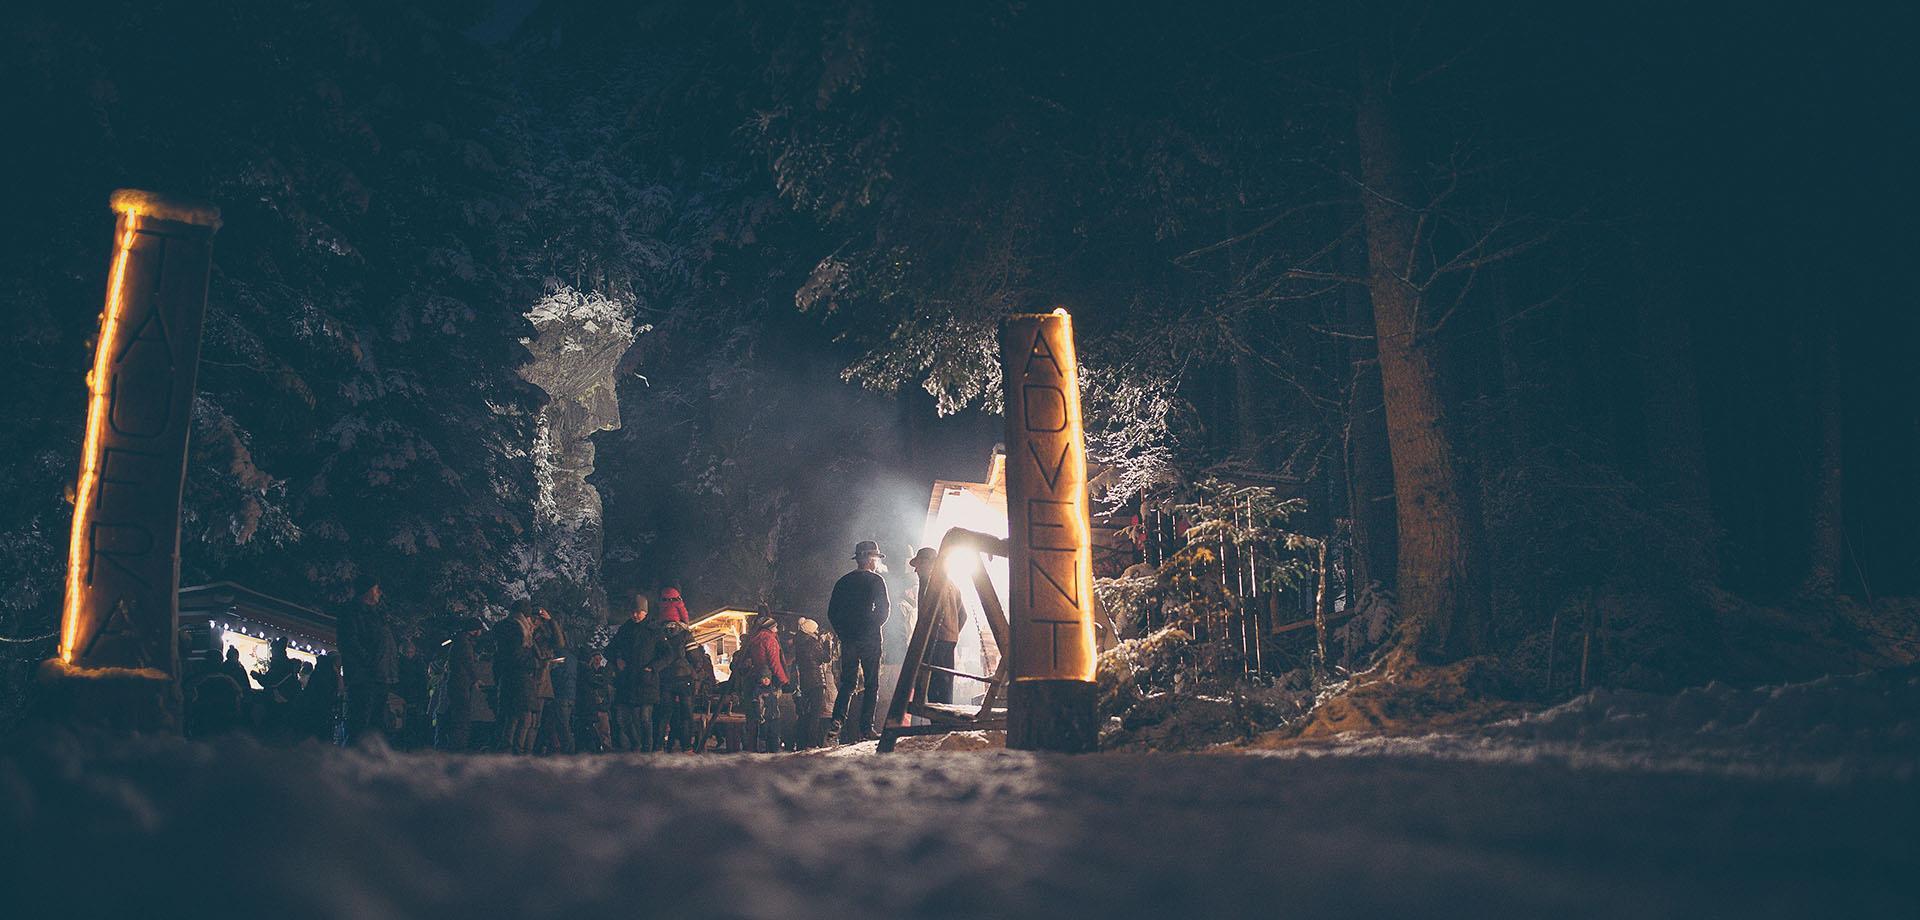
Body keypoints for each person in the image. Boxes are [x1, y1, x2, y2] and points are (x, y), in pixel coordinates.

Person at [827, 540, 889, 743]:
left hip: (849, 640)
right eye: (876, 558)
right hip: (870, 639)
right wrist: (872, 626)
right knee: (872, 684)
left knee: (848, 683)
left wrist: (844, 633)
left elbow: (832, 613)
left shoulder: (843, 582)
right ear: (870, 559)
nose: (876, 562)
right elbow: (883, 610)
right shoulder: (876, 581)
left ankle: (837, 720)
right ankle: (866, 728)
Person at [607, 592, 675, 751]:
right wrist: (617, 659)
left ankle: (646, 749)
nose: (635, 615)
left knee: (645, 718)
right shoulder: (625, 629)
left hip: (646, 681)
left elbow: (668, 654)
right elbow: (610, 649)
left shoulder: (654, 630)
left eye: (638, 612)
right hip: (626, 681)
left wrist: (653, 667)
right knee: (624, 718)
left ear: (645, 611)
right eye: (632, 612)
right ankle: (636, 744)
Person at [339, 580, 399, 745]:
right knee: (360, 722)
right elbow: (350, 642)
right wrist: (370, 662)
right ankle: (352, 760)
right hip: (365, 677)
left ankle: (368, 760)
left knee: (376, 723)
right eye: (376, 588)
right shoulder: (354, 613)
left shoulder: (376, 615)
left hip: (379, 676)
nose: (379, 592)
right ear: (367, 590)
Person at [909, 547, 970, 705]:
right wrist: (952, 633)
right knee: (945, 685)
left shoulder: (930, 584)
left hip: (933, 642)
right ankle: (943, 725)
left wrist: (938, 635)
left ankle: (939, 726)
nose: (916, 570)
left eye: (919, 564)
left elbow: (925, 616)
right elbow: (963, 615)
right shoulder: (952, 585)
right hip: (948, 642)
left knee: (934, 689)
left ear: (929, 564)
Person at [736, 611, 790, 752]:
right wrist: (784, 680)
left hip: (754, 679)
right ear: (770, 628)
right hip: (767, 679)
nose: (777, 630)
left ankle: (752, 746)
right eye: (775, 627)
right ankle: (771, 747)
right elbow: (774, 663)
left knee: (755, 714)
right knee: (771, 715)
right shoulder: (769, 639)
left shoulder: (753, 639)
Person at [492, 601, 541, 754]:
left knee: (516, 716)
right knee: (521, 717)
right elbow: (516, 655)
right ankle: (513, 750)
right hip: (518, 678)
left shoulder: (507, 628)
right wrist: (534, 662)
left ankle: (510, 749)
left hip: (513, 678)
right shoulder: (515, 629)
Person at [790, 618, 837, 749]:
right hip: (816, 681)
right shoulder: (812, 643)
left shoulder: (799, 642)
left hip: (805, 682)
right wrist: (827, 643)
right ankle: (811, 743)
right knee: (815, 714)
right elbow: (826, 657)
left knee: (806, 713)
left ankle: (801, 742)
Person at [437, 619, 484, 751]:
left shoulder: (459, 641)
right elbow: (468, 662)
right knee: (461, 715)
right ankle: (457, 746)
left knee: (453, 712)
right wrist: (476, 679)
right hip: (460, 684)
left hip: (456, 682)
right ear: (474, 630)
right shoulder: (464, 643)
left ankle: (444, 741)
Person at [657, 622, 700, 752]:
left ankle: (658, 747)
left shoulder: (658, 633)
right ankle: (686, 747)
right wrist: (693, 670)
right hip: (684, 678)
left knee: (663, 714)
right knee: (686, 714)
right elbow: (695, 657)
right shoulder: (685, 635)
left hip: (664, 679)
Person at [292, 653, 343, 744]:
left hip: (315, 709)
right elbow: (335, 690)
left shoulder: (321, 672)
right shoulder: (329, 673)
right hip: (319, 710)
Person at [541, 639, 578, 755]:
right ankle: (560, 748)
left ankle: (568, 751)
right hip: (570, 694)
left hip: (561, 694)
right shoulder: (572, 657)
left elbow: (556, 675)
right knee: (562, 724)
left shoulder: (559, 657)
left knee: (563, 726)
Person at [579, 651, 614, 753]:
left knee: (604, 731)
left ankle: (606, 750)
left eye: (599, 659)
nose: (598, 661)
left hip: (602, 707)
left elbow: (608, 690)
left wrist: (605, 704)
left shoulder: (604, 673)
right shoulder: (588, 672)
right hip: (591, 707)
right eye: (596, 658)